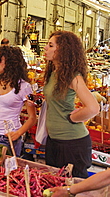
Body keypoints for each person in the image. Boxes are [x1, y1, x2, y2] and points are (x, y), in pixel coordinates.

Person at [41, 30, 99, 178]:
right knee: (54, 184)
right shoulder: (55, 73)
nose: (45, 48)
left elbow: (93, 108)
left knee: (72, 188)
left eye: (50, 45)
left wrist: (73, 118)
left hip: (72, 144)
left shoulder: (73, 77)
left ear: (63, 49)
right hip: (54, 141)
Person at [0, 46, 36, 156]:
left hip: (7, 137)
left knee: (5, 171)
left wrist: (18, 133)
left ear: (11, 63)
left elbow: (32, 118)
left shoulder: (24, 87)